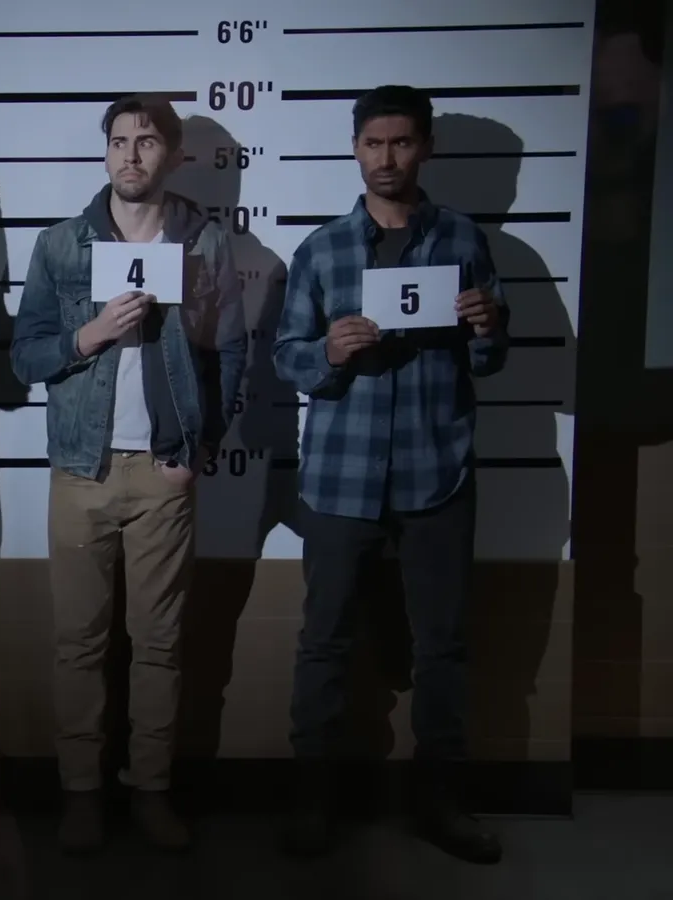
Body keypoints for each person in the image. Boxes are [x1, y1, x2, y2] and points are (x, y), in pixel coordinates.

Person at [272, 85, 508, 865]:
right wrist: (328, 353)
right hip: (340, 480)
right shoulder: (322, 249)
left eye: (402, 142)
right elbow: (287, 357)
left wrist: (488, 328)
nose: (386, 158)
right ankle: (312, 803)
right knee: (324, 645)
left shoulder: (464, 239)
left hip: (438, 473)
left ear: (425, 148)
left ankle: (441, 803)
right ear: (355, 149)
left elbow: (491, 358)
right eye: (373, 143)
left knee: (443, 648)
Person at [9, 93, 246, 853]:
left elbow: (231, 352)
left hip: (163, 474)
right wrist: (89, 335)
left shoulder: (206, 243)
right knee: (77, 643)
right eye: (118, 141)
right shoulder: (61, 244)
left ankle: (150, 790)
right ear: (105, 152)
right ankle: (81, 792)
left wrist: (198, 450)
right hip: (80, 471)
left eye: (146, 141)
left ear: (171, 154)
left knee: (159, 646)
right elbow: (24, 356)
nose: (130, 155)